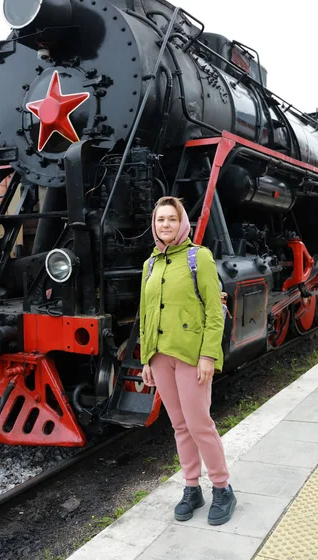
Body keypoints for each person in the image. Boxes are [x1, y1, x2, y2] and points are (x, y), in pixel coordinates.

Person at [140, 196, 236, 525]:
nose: (164, 224)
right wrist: (146, 358)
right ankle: (192, 487)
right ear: (154, 225)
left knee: (199, 425)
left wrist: (209, 355)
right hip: (161, 357)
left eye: (170, 219)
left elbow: (214, 311)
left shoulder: (200, 257)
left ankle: (222, 487)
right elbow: (145, 315)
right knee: (180, 426)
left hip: (192, 356)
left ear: (182, 223)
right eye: (159, 220)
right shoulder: (149, 265)